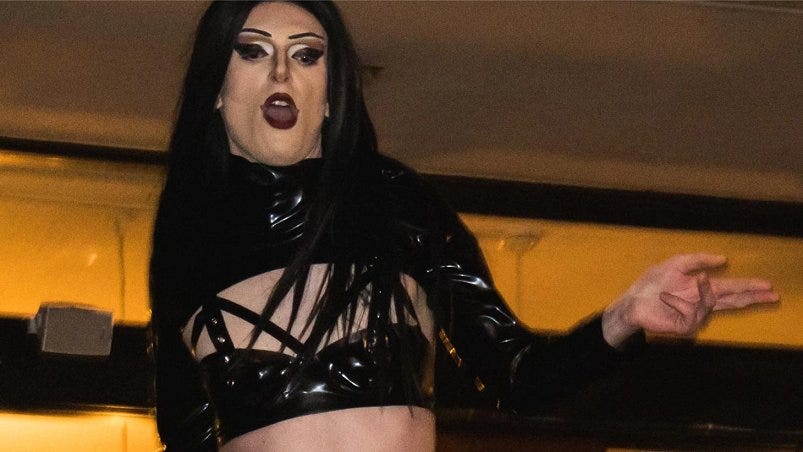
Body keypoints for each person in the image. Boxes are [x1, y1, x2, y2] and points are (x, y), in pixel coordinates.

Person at [149, 2, 779, 451]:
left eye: (307, 55)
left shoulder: (393, 203)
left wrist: (623, 318)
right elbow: (183, 433)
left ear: (332, 91)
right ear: (216, 87)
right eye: (253, 51)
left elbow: (518, 376)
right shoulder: (187, 241)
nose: (282, 73)